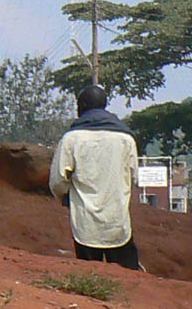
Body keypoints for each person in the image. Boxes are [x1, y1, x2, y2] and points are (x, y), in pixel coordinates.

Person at [49, 85, 141, 270]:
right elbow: (134, 177)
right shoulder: (126, 139)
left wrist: (64, 197)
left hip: (85, 222)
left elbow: (58, 180)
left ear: (82, 105)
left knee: (90, 272)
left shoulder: (72, 138)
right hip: (117, 220)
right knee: (128, 275)